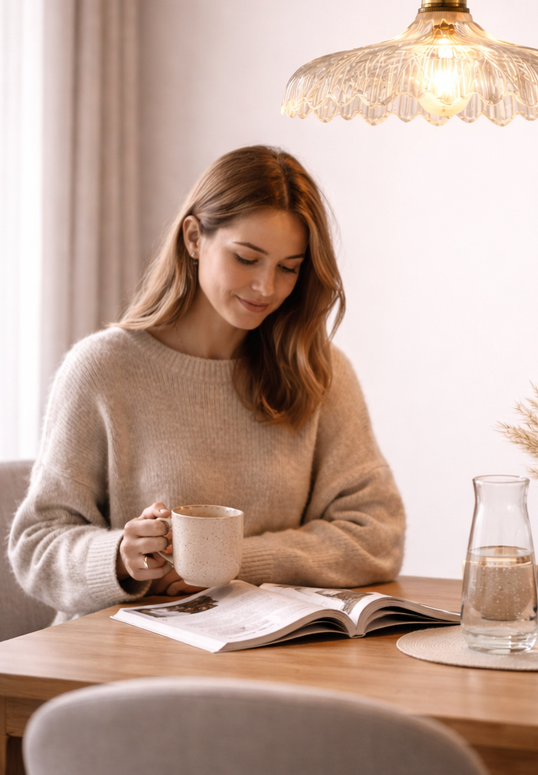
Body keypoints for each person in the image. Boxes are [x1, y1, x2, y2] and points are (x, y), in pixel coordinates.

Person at [9, 146, 405, 620]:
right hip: (121, 651)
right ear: (194, 238)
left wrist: (231, 562)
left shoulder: (318, 371)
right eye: (247, 258)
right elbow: (37, 545)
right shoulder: (102, 369)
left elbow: (377, 534)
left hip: (268, 647)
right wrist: (119, 557)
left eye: (288, 267)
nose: (266, 287)